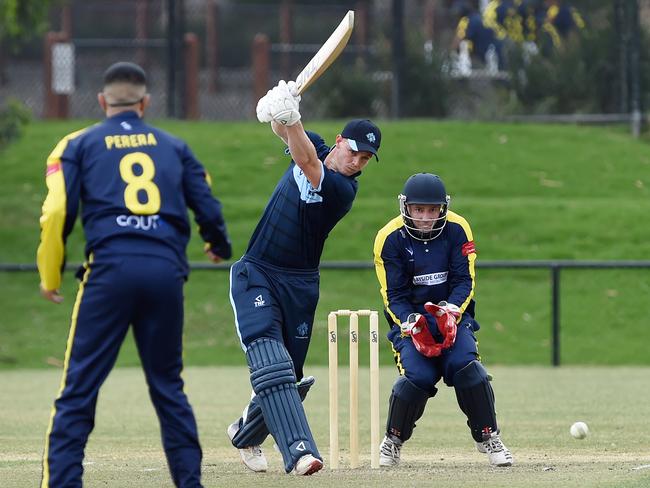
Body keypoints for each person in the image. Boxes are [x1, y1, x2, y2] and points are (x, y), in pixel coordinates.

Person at [37, 61, 231, 488]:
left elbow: (56, 211)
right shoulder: (175, 146)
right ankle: (190, 483)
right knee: (168, 387)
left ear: (103, 101)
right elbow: (207, 202)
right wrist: (218, 245)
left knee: (79, 389)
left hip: (109, 271)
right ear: (144, 103)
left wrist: (49, 274)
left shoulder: (78, 144)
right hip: (164, 273)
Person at [226, 80, 381, 475]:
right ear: (339, 140)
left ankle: (245, 433)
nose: (357, 162)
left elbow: (308, 163)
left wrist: (289, 117)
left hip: (300, 283)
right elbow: (289, 136)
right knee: (272, 364)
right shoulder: (313, 143)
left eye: (366, 159)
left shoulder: (343, 189)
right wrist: (275, 112)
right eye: (354, 152)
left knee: (289, 378)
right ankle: (300, 454)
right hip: (257, 271)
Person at [372, 173, 513, 468]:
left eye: (432, 210)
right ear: (406, 207)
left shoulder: (459, 228)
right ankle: (393, 440)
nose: (425, 217)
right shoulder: (389, 238)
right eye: (418, 210)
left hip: (452, 315)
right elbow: (393, 295)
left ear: (443, 208)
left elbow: (465, 280)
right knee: (418, 378)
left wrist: (450, 312)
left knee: (467, 368)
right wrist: (412, 323)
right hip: (410, 324)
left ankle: (488, 436)